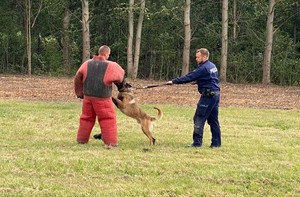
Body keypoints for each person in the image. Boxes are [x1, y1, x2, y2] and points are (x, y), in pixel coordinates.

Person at [167, 48, 221, 148]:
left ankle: (197, 143)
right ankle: (216, 143)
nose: (196, 59)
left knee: (198, 118)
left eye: (198, 57)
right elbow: (210, 78)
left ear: (204, 57)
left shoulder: (203, 68)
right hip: (216, 95)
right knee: (213, 120)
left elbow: (189, 76)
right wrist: (198, 82)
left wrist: (174, 81)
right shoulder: (212, 66)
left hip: (208, 96)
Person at [74, 45, 125, 147]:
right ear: (107, 54)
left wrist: (80, 93)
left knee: (86, 118)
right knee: (107, 119)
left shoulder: (86, 64)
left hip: (88, 97)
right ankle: (111, 142)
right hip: (103, 98)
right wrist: (122, 88)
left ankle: (82, 140)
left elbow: (77, 78)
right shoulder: (111, 65)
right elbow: (120, 77)